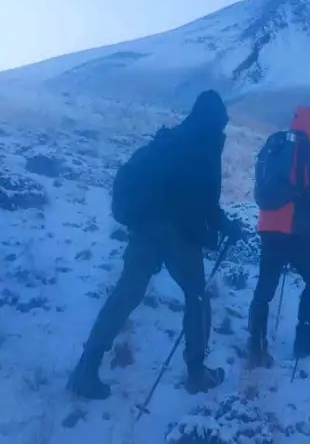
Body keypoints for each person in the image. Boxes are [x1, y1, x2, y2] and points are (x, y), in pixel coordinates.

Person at [68, 90, 240, 400]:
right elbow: (205, 201)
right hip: (174, 232)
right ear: (216, 120)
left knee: (126, 293)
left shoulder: (171, 139)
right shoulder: (205, 143)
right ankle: (197, 373)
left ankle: (86, 367)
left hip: (144, 226)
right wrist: (226, 226)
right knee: (197, 295)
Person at [248, 106, 310, 367]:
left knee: (264, 289)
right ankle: (305, 339)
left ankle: (256, 346)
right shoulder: (308, 149)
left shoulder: (274, 144)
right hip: (295, 230)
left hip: (268, 226)